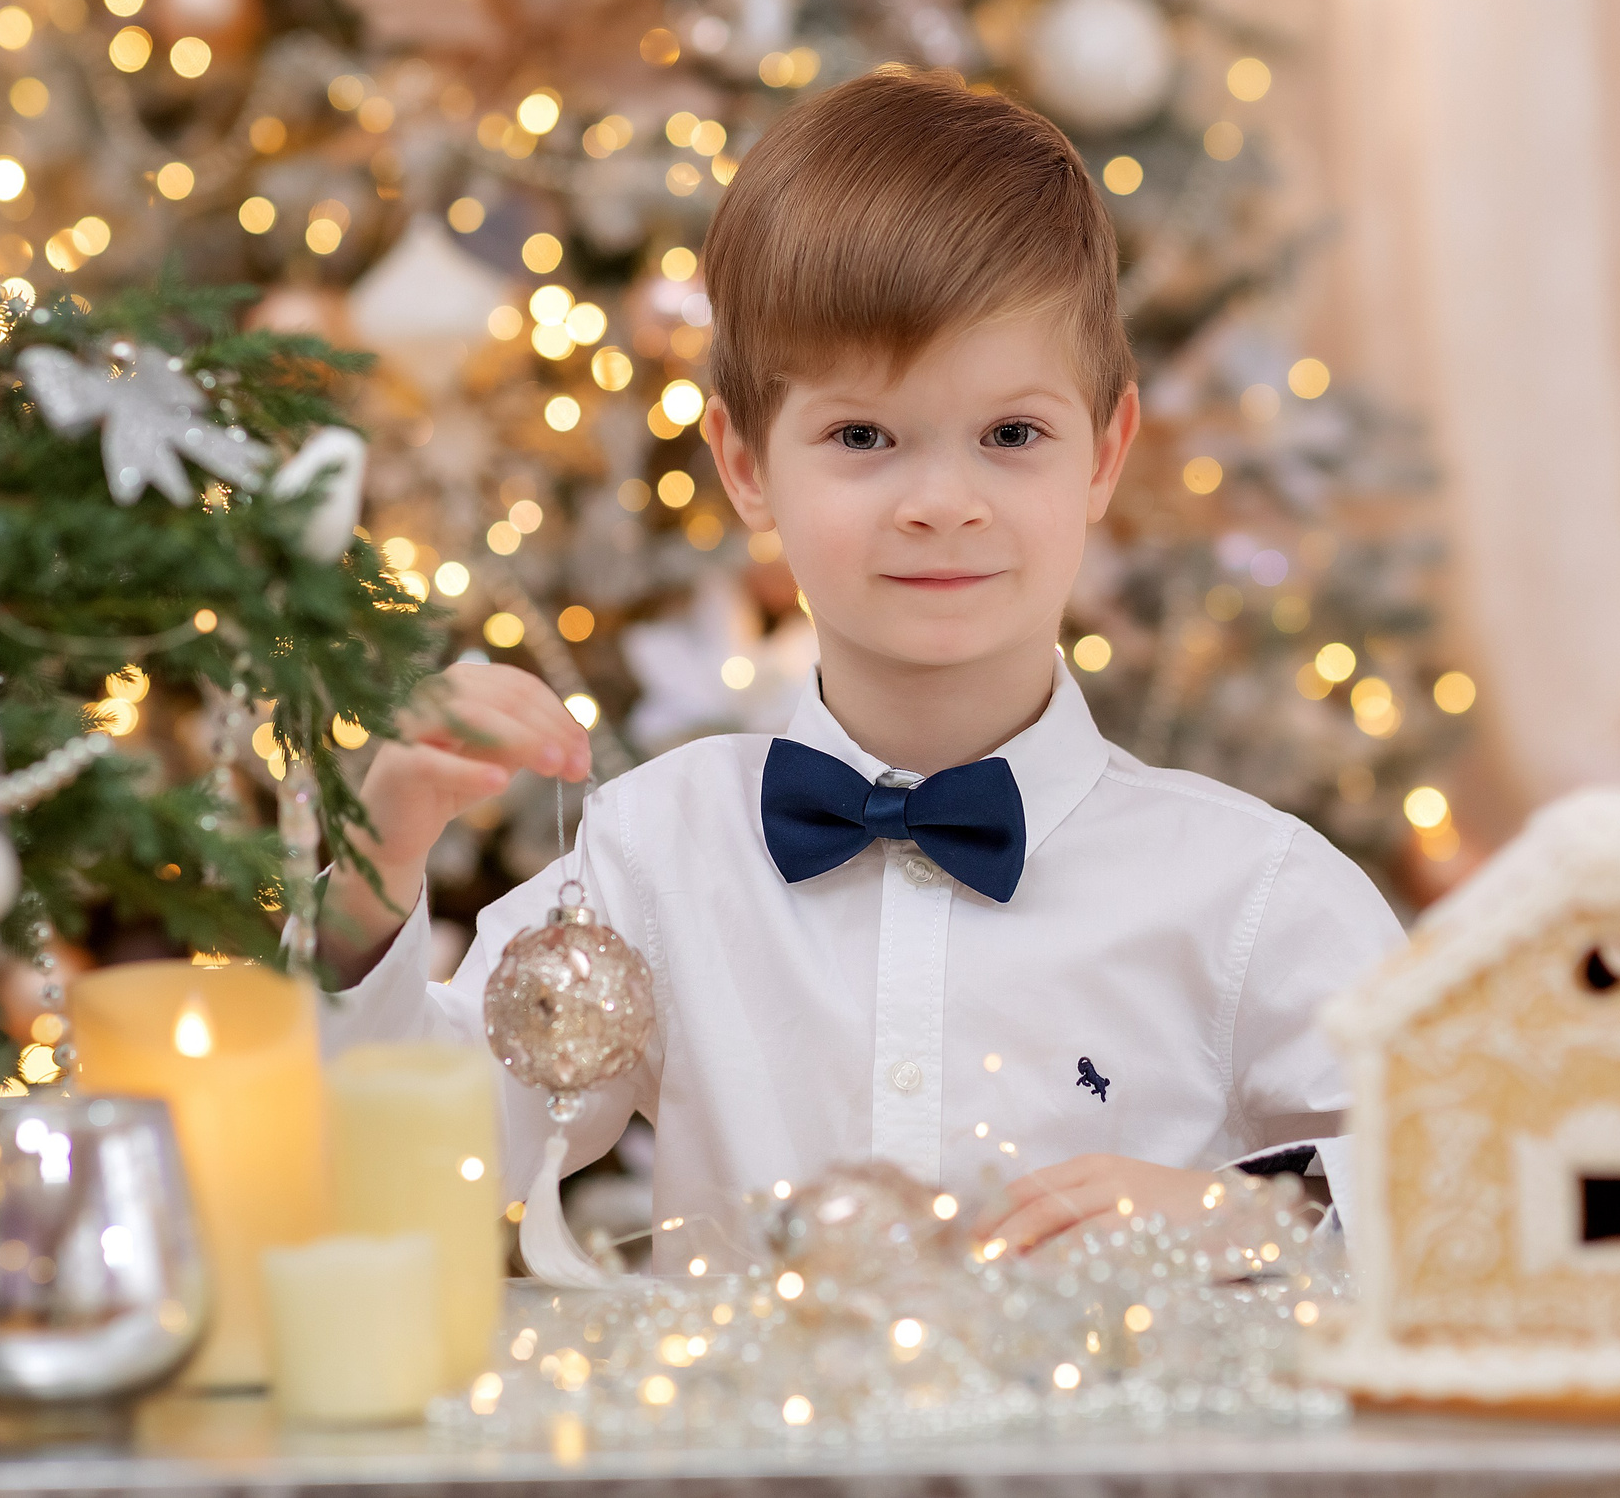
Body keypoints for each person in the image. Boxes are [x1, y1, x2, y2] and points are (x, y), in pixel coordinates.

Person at [319, 69, 1404, 1272]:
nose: (941, 504)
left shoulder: (1253, 894)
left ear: (1104, 454)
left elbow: (1485, 1174)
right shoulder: (649, 861)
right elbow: (396, 1168)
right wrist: (374, 876)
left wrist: (1260, 1212)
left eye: (1010, 435)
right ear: (743, 464)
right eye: (861, 438)